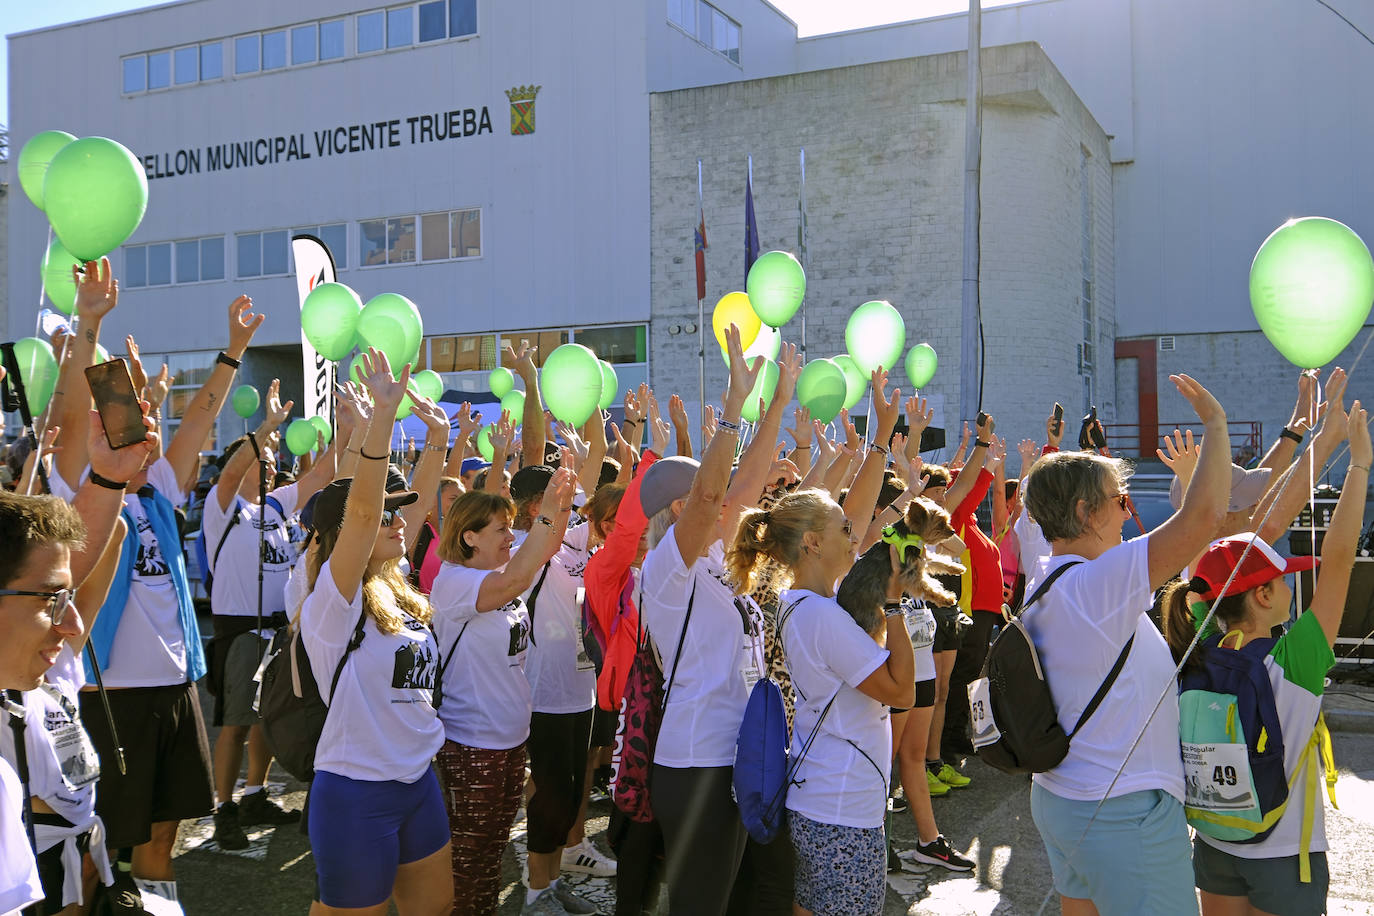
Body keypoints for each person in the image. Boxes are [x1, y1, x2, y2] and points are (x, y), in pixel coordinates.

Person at [1019, 374, 1232, 915]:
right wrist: (1215, 425)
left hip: (1064, 796)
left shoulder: (1046, 571)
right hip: (1121, 810)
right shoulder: (1098, 584)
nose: (1127, 509)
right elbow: (1203, 520)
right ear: (1088, 514)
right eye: (1119, 500)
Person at [1161, 398, 1369, 916]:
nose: (1292, 587)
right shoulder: (1293, 661)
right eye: (1282, 579)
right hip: (1282, 854)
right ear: (1260, 595)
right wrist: (1360, 462)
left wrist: (1190, 486)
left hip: (1212, 839)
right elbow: (1340, 557)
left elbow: (1197, 575)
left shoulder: (1198, 647)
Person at [636, 330, 791, 915]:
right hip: (696, 764)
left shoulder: (713, 558)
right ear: (680, 507)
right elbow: (713, 497)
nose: (724, 497)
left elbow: (744, 488)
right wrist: (732, 407)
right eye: (708, 491)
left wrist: (774, 404)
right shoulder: (665, 569)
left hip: (735, 758)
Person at [298, 349, 451, 916]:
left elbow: (402, 506)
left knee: (434, 908)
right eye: (387, 516)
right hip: (356, 791)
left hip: (417, 780)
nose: (397, 524)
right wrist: (380, 420)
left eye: (399, 516)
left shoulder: (397, 582)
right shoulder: (332, 603)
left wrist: (437, 440)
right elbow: (363, 515)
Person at [724, 484, 914, 916]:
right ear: (812, 543)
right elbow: (903, 691)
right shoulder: (823, 615)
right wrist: (896, 606)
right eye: (844, 529)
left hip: (824, 790)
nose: (853, 537)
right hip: (841, 801)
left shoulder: (802, 603)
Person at [429, 464, 584, 916]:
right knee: (469, 858)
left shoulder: (497, 574)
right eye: (500, 529)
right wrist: (550, 514)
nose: (509, 538)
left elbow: (544, 549)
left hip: (509, 741)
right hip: (473, 743)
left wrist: (557, 504)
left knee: (492, 852)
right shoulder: (454, 582)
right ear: (469, 537)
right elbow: (517, 577)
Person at [203, 380, 338, 849]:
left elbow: (321, 476)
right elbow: (230, 472)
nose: (272, 461)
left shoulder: (276, 505)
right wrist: (269, 426)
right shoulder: (223, 507)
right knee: (236, 724)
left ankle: (255, 794)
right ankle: (223, 808)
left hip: (278, 630)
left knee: (266, 717)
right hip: (240, 632)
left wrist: (355, 425)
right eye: (263, 456)